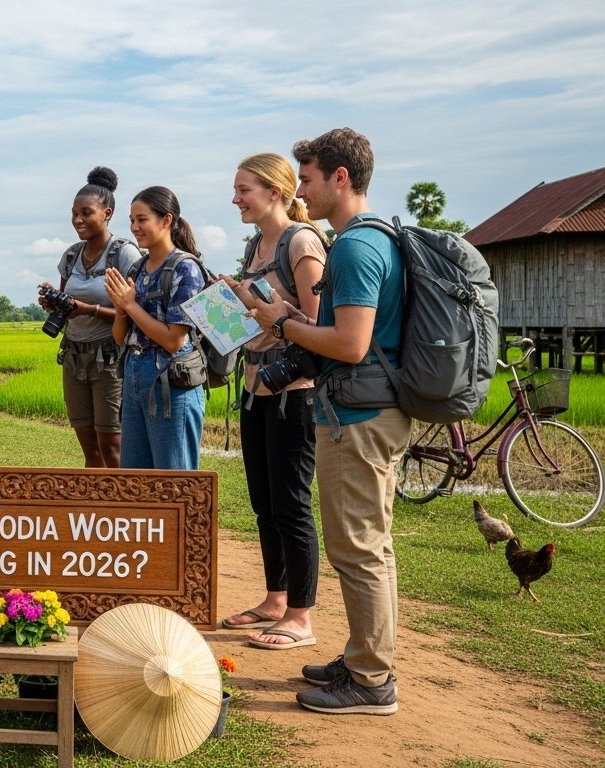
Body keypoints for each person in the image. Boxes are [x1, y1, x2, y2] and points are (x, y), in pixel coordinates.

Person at [247, 128, 407, 715]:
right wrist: (288, 315)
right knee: (371, 548)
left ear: (341, 177)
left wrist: (283, 325)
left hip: (359, 416)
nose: (302, 191)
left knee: (359, 550)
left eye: (308, 178)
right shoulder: (367, 240)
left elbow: (350, 342)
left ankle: (370, 681)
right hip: (368, 412)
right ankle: (367, 657)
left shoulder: (354, 248)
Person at [219, 153, 328, 650]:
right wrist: (233, 300)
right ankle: (274, 600)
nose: (236, 198)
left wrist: (265, 309)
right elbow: (260, 320)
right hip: (255, 388)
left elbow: (317, 323)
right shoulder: (255, 246)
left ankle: (301, 617)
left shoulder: (302, 242)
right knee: (265, 503)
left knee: (291, 504)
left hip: (294, 394)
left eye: (244, 189)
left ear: (276, 192)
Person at [37, 167, 139, 468]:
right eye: (74, 213)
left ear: (107, 213)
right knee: (90, 451)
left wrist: (87, 308)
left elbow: (134, 313)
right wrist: (54, 303)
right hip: (73, 357)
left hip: (109, 360)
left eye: (86, 213)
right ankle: (93, 512)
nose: (78, 220)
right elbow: (68, 302)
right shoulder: (71, 255)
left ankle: (120, 512)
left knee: (113, 448)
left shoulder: (124, 254)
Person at [103, 186, 206, 470]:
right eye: (132, 220)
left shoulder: (186, 269)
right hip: (135, 372)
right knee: (135, 480)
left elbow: (174, 340)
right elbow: (121, 337)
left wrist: (131, 306)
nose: (134, 227)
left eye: (142, 219)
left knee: (174, 478)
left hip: (170, 378)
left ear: (166, 220)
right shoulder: (136, 269)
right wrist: (122, 310)